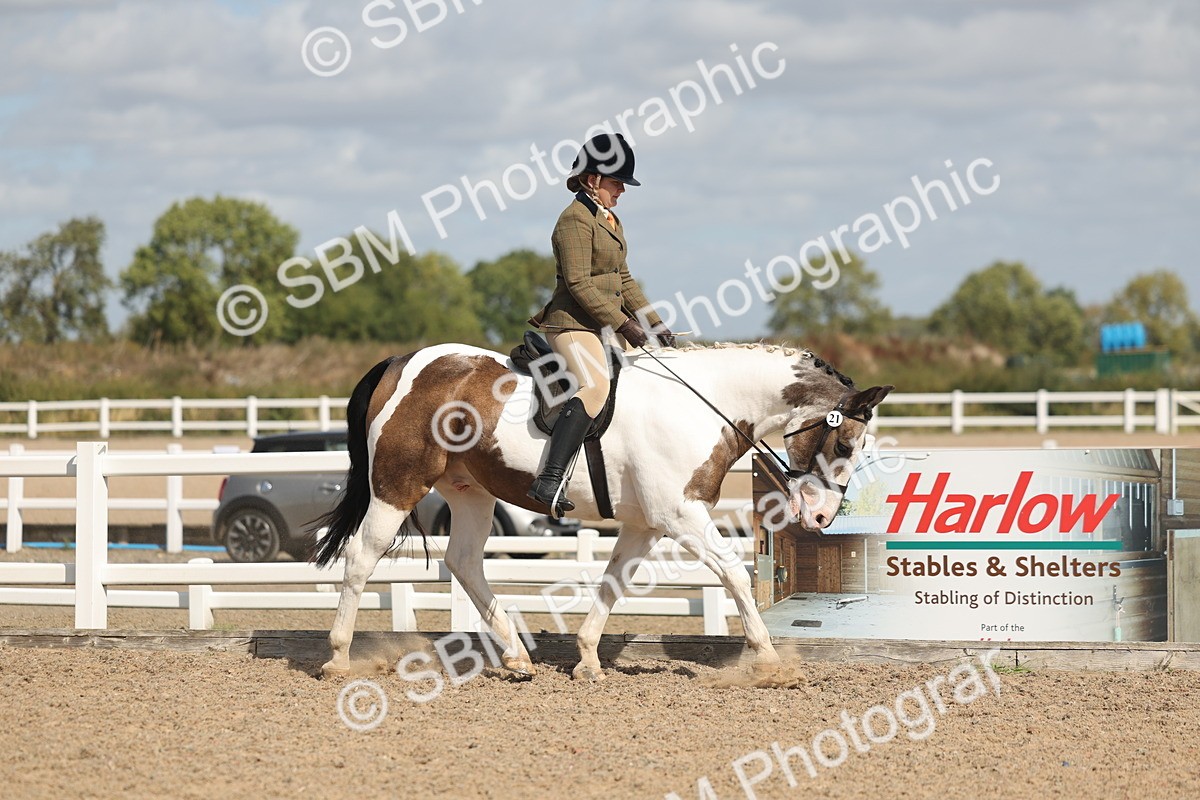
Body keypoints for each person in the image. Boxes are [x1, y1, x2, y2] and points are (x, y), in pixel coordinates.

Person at [527, 132, 675, 516]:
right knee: (594, 387)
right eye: (616, 182)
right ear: (592, 180)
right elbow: (578, 284)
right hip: (572, 325)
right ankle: (549, 479)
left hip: (601, 325)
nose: (622, 190)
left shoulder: (609, 219)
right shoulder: (573, 221)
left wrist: (655, 323)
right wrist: (626, 325)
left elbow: (623, 279)